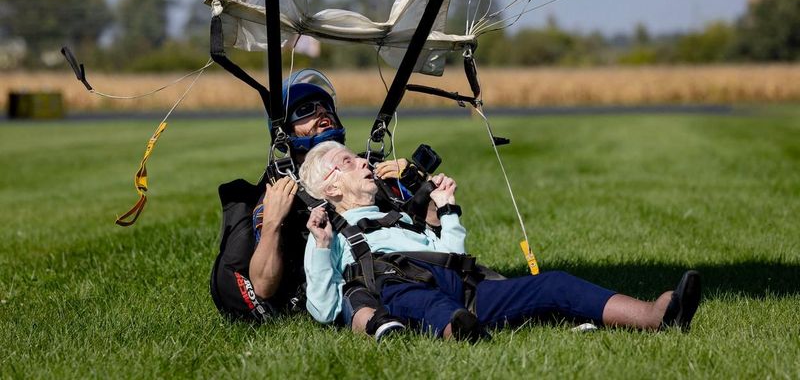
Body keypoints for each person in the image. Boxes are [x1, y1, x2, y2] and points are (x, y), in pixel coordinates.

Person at [300, 141, 702, 340]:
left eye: (359, 157)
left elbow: (453, 257)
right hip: (400, 289)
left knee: (555, 282)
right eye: (347, 162)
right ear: (330, 187)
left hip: (461, 287)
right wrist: (320, 246)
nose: (364, 162)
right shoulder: (329, 230)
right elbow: (322, 308)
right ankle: (464, 335)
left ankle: (654, 316)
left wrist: (448, 208)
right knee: (427, 303)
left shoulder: (401, 215)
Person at [248, 70, 407, 339]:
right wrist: (272, 224)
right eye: (306, 110)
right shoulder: (280, 191)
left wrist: (413, 183)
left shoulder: (368, 172)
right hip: (348, 293)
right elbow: (262, 287)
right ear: (285, 132)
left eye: (326, 107)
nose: (321, 112)